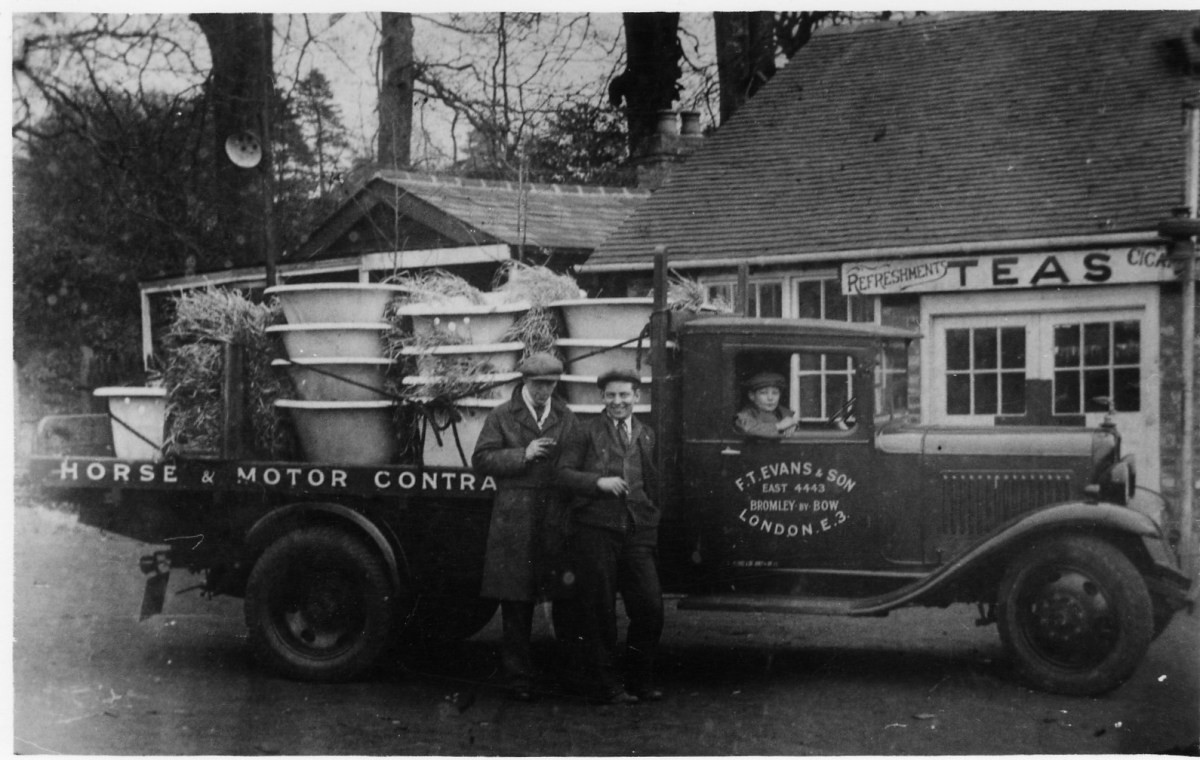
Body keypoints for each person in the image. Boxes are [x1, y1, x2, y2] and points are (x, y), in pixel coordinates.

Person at [472, 352, 578, 701]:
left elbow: (576, 458)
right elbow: (482, 459)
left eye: (550, 383)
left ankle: (564, 674)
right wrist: (523, 454)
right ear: (524, 382)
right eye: (537, 384)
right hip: (515, 516)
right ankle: (518, 679)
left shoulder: (566, 416)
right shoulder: (502, 415)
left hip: (553, 514)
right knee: (516, 602)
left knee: (561, 598)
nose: (544, 390)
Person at [557, 368, 663, 705]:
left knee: (649, 608)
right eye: (611, 395)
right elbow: (561, 474)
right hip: (597, 529)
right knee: (599, 611)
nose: (617, 402)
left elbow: (653, 479)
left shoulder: (647, 434)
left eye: (624, 395)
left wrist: (651, 512)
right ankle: (606, 686)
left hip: (636, 531)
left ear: (637, 397)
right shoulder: (585, 432)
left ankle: (639, 681)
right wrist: (597, 484)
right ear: (602, 398)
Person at [734, 371, 801, 438]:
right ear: (752, 396)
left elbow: (790, 422)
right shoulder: (746, 414)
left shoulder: (783, 413)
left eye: (775, 393)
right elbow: (748, 429)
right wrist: (779, 426)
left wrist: (792, 426)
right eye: (763, 393)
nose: (770, 398)